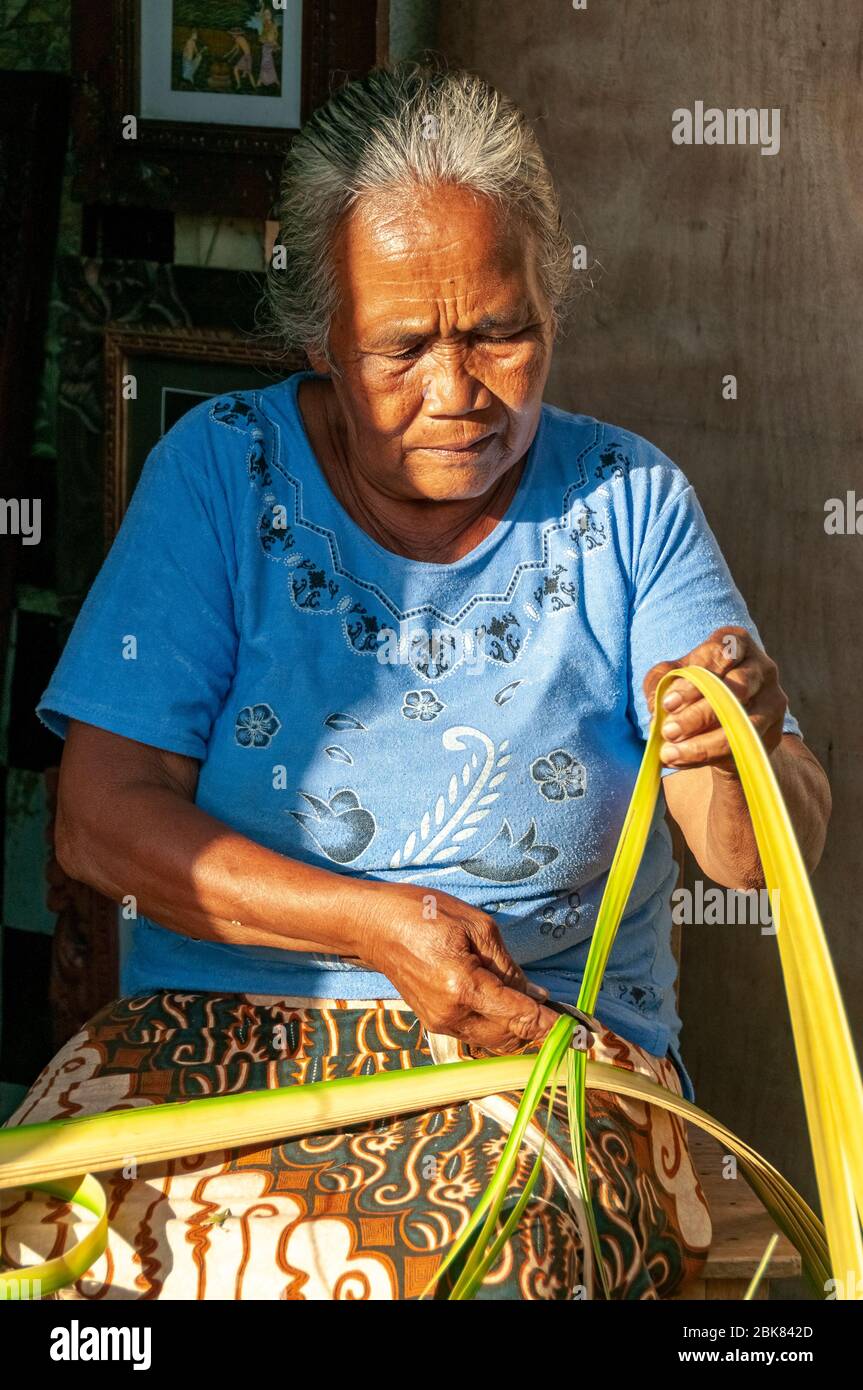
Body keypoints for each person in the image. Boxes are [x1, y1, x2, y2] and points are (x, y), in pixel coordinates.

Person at [9, 61, 830, 1301]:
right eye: (401, 347)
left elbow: (750, 853)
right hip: (208, 1043)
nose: (455, 394)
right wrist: (376, 927)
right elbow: (99, 819)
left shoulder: (626, 504)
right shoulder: (220, 480)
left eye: (498, 332)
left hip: (537, 1060)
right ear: (321, 340)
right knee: (61, 1264)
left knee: (448, 1274)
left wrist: (740, 754)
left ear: (549, 303)